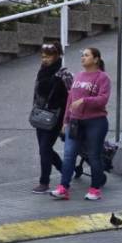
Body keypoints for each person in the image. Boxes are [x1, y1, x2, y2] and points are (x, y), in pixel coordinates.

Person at [51, 47, 111, 201]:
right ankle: (64, 187)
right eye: (82, 55)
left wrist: (84, 100)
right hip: (75, 122)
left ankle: (95, 189)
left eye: (86, 55)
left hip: (95, 122)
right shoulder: (78, 76)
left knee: (94, 156)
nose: (83, 58)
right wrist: (65, 120)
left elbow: (103, 100)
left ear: (96, 59)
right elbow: (70, 101)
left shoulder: (102, 78)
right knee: (69, 154)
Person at [30, 42, 71, 194]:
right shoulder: (42, 71)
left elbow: (71, 97)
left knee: (45, 148)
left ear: (57, 56)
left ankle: (44, 182)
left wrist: (65, 121)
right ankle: (65, 170)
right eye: (43, 56)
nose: (44, 59)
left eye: (48, 56)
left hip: (56, 118)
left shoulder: (64, 74)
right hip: (41, 116)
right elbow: (37, 93)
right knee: (44, 149)